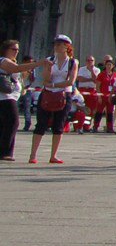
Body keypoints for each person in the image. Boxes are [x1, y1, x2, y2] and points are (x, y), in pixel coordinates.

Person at [27, 35, 76, 165]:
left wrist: (54, 85)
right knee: (41, 124)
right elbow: (45, 80)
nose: (56, 47)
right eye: (55, 44)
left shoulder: (72, 62)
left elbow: (70, 81)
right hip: (48, 94)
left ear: (66, 46)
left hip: (64, 95)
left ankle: (53, 155)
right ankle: (33, 155)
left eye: (59, 44)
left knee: (58, 125)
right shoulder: (50, 60)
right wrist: (48, 68)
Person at [0, 40, 42, 161]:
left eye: (17, 49)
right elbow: (16, 69)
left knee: (5, 124)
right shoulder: (3, 60)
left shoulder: (11, 62)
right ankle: (5, 152)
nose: (16, 52)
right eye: (13, 49)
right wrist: (38, 63)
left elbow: (17, 75)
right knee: (13, 122)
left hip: (11, 97)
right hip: (5, 98)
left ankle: (5, 152)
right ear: (6, 49)